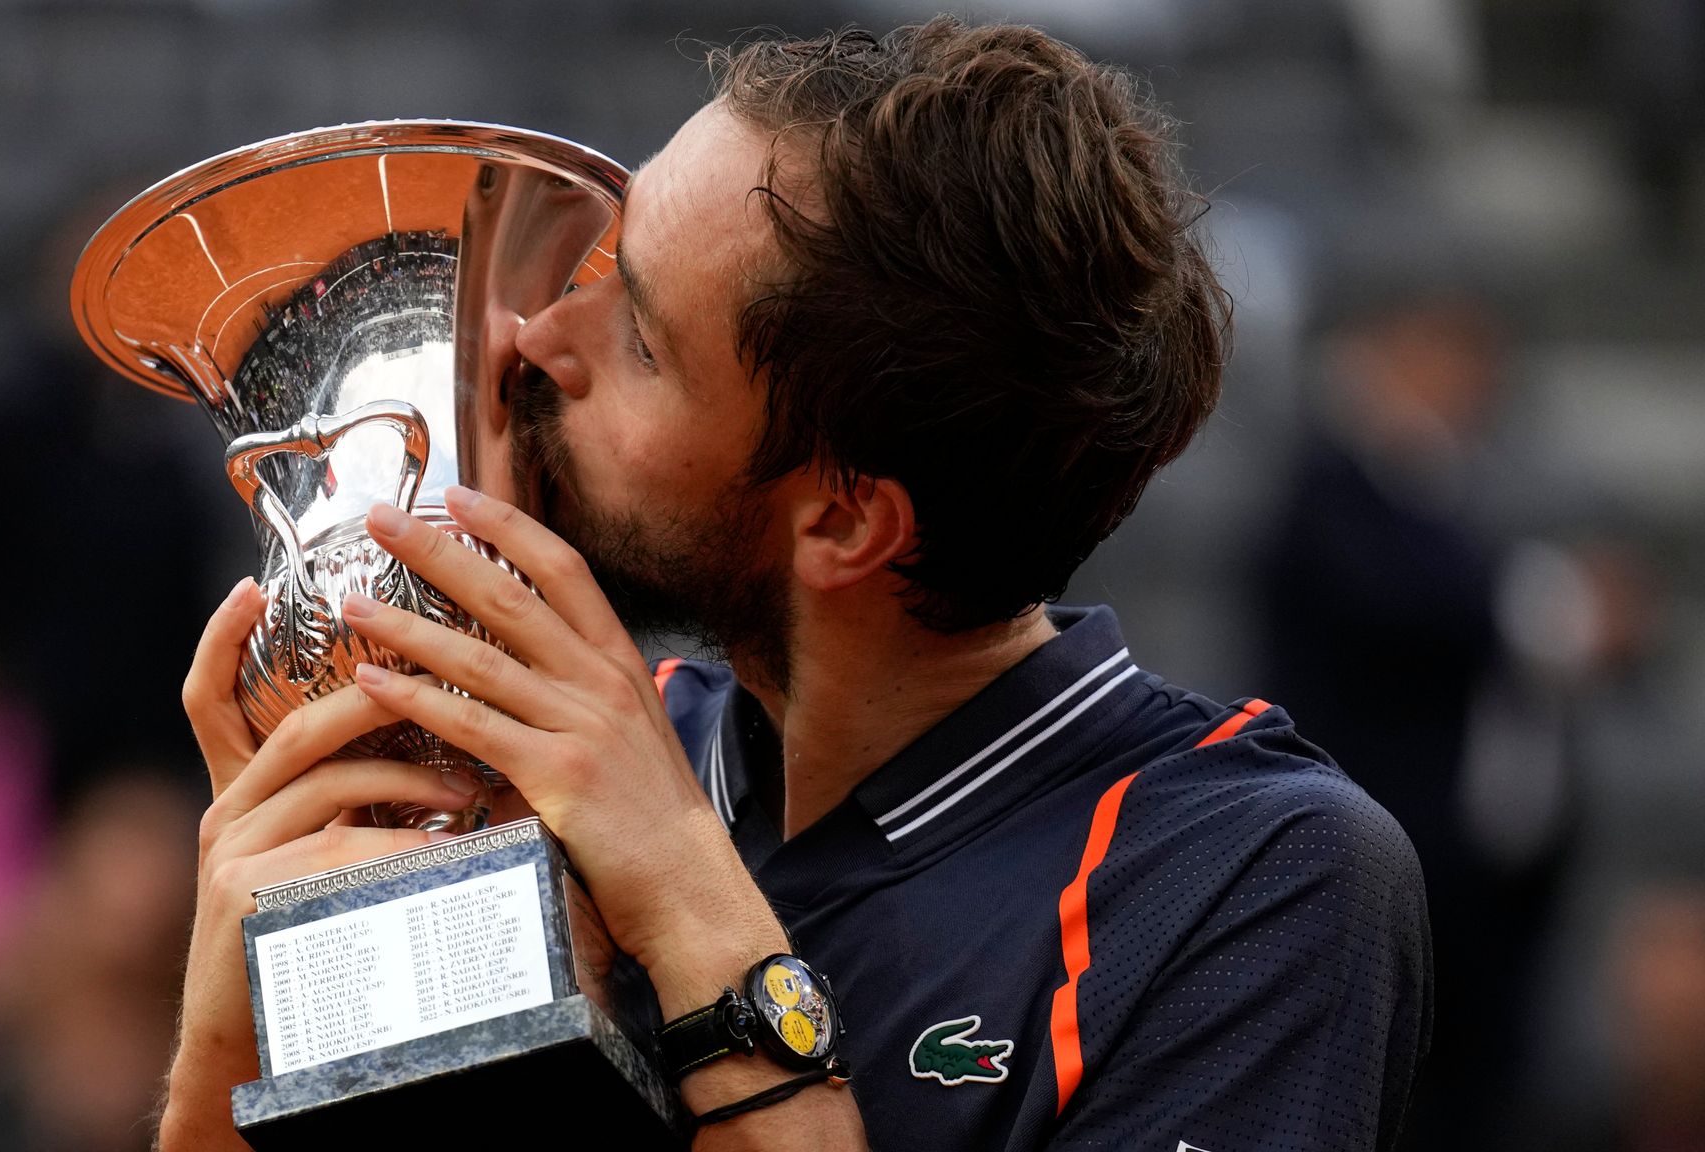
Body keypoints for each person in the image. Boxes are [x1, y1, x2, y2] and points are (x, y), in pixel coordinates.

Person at [159, 19, 1430, 1152]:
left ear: (842, 520)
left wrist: (691, 908)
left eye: (640, 336)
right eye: (593, 268)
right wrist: (236, 1027)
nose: (534, 336)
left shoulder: (1252, 884)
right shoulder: (535, 769)